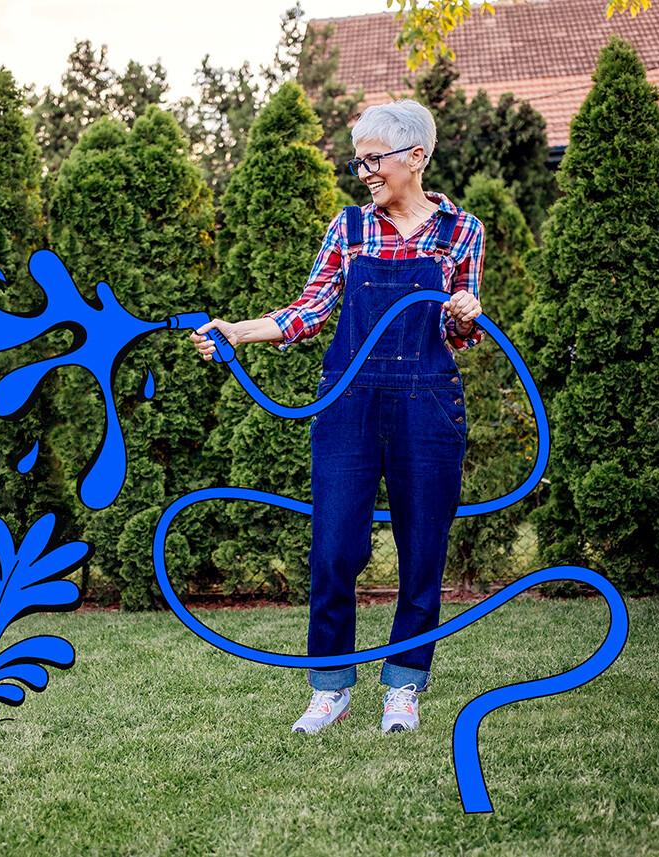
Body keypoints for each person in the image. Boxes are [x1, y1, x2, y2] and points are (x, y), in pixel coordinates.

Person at [191, 99, 484, 734]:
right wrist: (236, 332)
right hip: (348, 404)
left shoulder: (462, 232)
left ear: (417, 156)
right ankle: (331, 688)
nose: (364, 171)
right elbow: (310, 308)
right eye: (359, 161)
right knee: (332, 551)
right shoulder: (349, 228)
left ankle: (403, 688)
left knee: (422, 553)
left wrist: (464, 316)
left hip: (427, 404)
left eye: (373, 158)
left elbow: (461, 336)